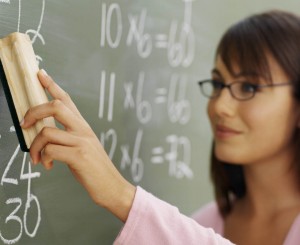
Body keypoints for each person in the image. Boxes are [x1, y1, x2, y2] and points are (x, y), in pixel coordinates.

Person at [20, 9, 300, 245]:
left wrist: (120, 194)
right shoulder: (206, 222)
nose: (219, 106)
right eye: (217, 84)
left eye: (249, 86)